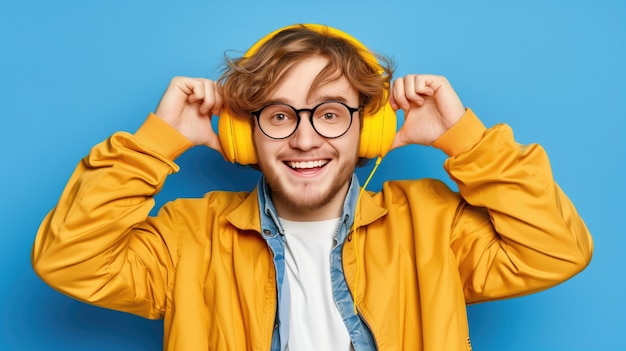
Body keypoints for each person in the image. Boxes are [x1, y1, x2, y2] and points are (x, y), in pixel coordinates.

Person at [32, 23, 593, 351]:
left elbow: (557, 250)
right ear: (245, 135)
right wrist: (155, 144)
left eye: (329, 114)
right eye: (279, 115)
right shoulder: (188, 237)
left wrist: (466, 141)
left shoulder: (432, 224)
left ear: (368, 129)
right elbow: (69, 260)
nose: (304, 139)